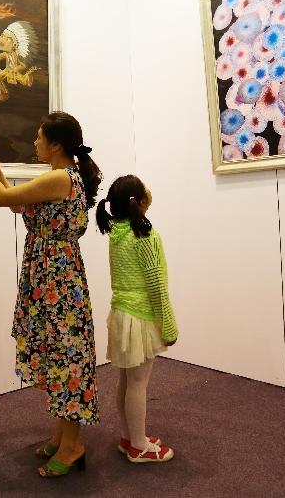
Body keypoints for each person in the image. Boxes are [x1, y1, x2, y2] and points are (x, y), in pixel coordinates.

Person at [0, 112, 102, 477]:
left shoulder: (60, 178)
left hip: (57, 281)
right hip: (50, 277)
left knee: (66, 357)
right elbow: (16, 203)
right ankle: (63, 437)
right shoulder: (60, 177)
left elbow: (1, 199)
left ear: (55, 144)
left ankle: (73, 445)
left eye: (39, 137)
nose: (35, 143)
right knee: (57, 354)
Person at [96, 175, 178, 463]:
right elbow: (156, 284)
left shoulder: (116, 233)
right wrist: (168, 324)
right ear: (141, 202)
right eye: (146, 189)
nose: (150, 191)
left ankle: (129, 436)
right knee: (138, 383)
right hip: (140, 317)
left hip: (121, 314)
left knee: (127, 381)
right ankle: (139, 445)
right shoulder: (145, 234)